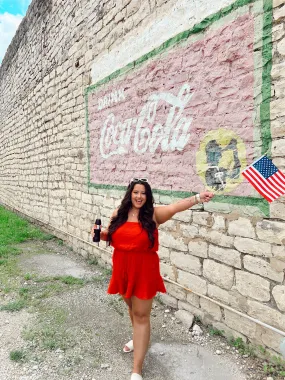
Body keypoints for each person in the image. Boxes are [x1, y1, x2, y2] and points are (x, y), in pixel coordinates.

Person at [95, 178, 214, 380]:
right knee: (132, 309)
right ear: (130, 194)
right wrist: (101, 234)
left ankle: (136, 370)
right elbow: (112, 237)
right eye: (136, 192)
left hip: (143, 271)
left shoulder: (153, 215)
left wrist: (198, 198)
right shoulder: (119, 214)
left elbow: (176, 207)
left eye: (143, 193)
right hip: (122, 270)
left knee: (142, 316)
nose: (139, 196)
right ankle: (137, 339)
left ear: (148, 196)